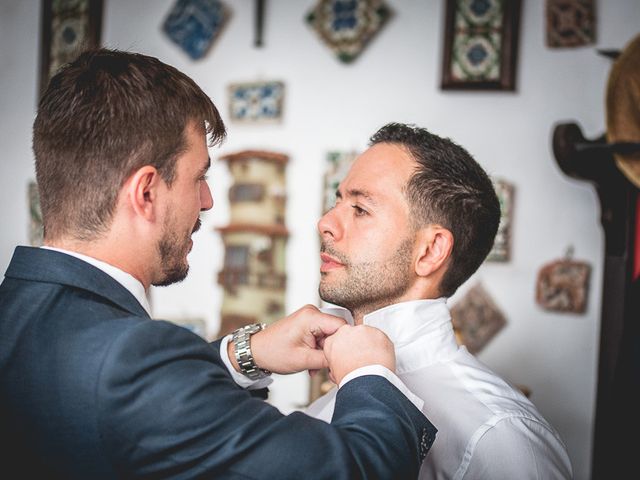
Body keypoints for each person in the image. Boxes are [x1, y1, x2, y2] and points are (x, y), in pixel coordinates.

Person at [0, 49, 436, 479]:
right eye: (200, 178)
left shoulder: (16, 314)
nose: (208, 201)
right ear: (146, 192)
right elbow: (357, 471)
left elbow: (109, 403)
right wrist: (369, 374)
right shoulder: (134, 362)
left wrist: (242, 354)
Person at [305, 123, 574, 479]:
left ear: (430, 251)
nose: (325, 222)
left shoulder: (500, 438)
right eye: (337, 201)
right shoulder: (330, 397)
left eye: (360, 208)